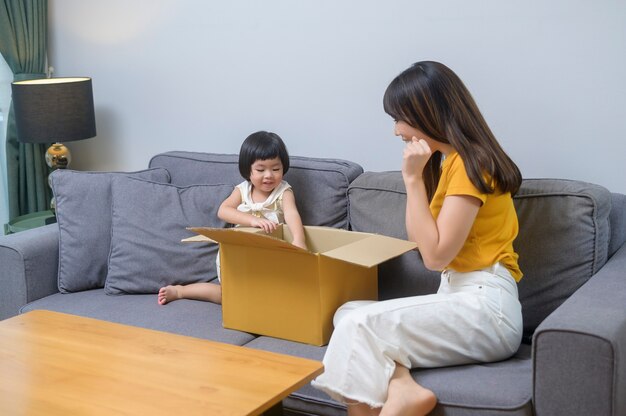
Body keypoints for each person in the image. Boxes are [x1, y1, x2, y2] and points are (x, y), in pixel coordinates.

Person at [311, 61, 524, 416]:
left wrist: (411, 181)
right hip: (457, 296)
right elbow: (419, 238)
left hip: (486, 308)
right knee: (347, 312)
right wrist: (417, 179)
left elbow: (435, 256)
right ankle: (402, 387)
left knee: (356, 326)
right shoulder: (447, 164)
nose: (396, 131)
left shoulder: (474, 163)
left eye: (399, 118)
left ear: (427, 113)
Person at [158, 131, 307, 305]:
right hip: (238, 257)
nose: (269, 175)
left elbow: (291, 213)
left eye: (276, 169)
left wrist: (299, 239)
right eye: (260, 170)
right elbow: (223, 210)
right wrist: (252, 220)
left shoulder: (283, 191)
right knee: (228, 295)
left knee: (268, 296)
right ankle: (181, 291)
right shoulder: (242, 190)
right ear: (248, 171)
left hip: (268, 261)